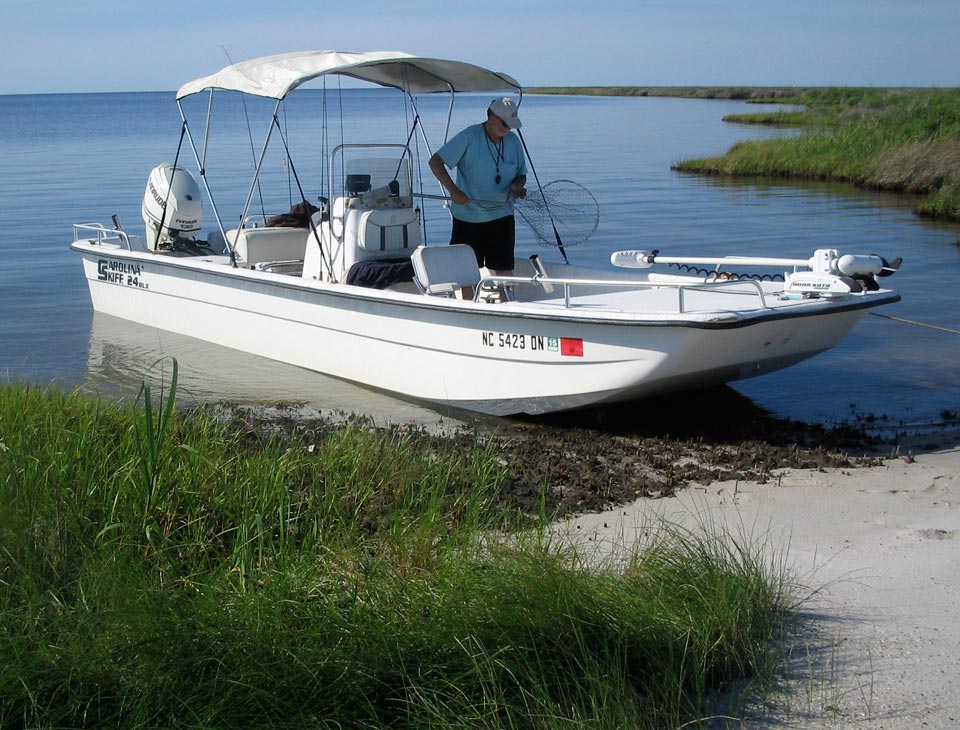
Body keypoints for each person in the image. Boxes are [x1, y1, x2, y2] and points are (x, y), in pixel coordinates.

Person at [428, 97, 527, 299]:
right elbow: (435, 162)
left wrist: (518, 186)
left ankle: (507, 307)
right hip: (468, 217)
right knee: (466, 271)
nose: (508, 129)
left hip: (502, 213)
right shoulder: (470, 136)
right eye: (505, 123)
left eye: (511, 125)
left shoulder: (513, 141)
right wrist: (454, 191)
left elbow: (521, 173)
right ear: (491, 118)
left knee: (504, 267)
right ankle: (469, 307)